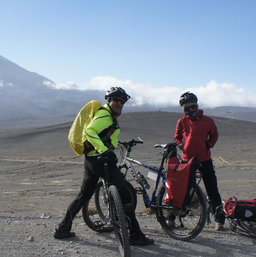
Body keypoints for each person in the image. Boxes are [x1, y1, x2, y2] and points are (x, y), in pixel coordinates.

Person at [54, 87, 154, 246]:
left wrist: (110, 144)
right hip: (102, 161)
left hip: (91, 161)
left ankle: (62, 228)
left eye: (122, 101)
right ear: (109, 100)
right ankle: (135, 234)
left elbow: (103, 135)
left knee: (83, 196)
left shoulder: (107, 115)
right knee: (126, 195)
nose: (119, 103)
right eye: (116, 100)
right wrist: (103, 150)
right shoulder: (105, 115)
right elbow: (90, 130)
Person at [174, 91, 225, 231]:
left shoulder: (207, 121)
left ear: (197, 106)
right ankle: (174, 215)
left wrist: (208, 145)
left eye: (193, 107)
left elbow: (214, 135)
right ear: (183, 109)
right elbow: (177, 137)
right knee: (184, 188)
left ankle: (219, 219)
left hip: (204, 159)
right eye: (187, 108)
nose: (191, 110)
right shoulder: (182, 122)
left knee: (212, 188)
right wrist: (181, 145)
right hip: (187, 159)